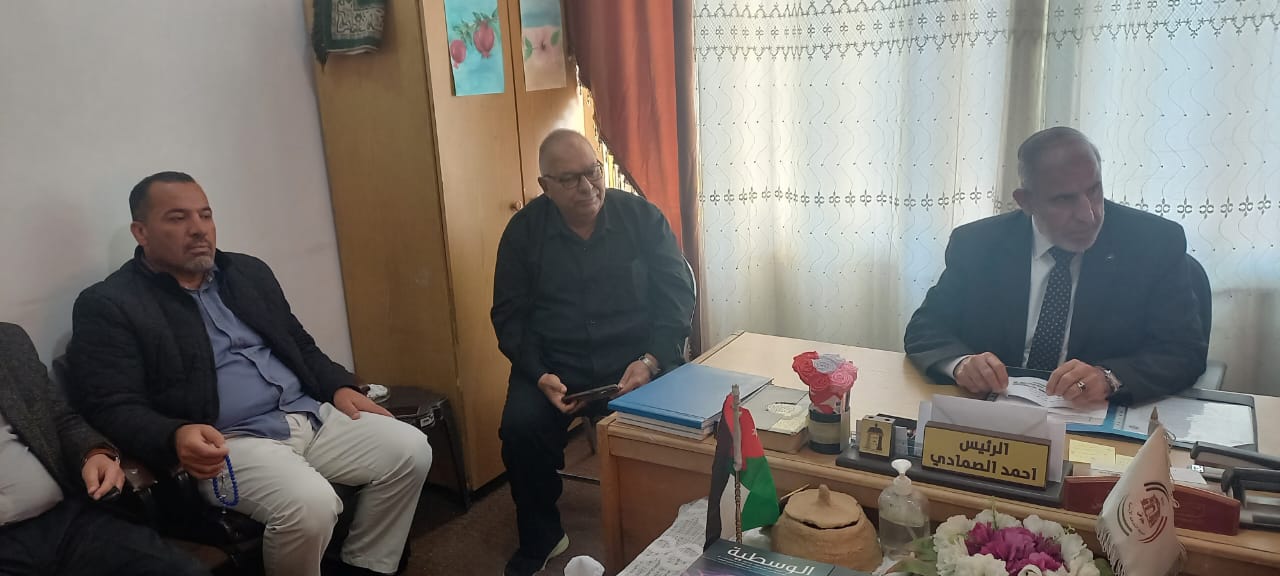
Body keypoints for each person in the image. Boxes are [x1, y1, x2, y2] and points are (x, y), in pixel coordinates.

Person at [67, 172, 433, 576]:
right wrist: (174, 434)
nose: (198, 229)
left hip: (305, 413)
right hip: (230, 443)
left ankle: (367, 566)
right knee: (311, 504)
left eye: (205, 215)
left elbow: (298, 343)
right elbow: (111, 405)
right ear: (141, 232)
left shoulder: (246, 272)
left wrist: (338, 386)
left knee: (410, 449)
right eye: (178, 218)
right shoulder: (110, 304)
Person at [491, 130, 696, 576]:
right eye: (570, 179)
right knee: (520, 428)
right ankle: (542, 536)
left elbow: (677, 296)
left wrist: (651, 360)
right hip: (556, 366)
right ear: (545, 186)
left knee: (680, 432)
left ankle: (666, 530)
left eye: (593, 172)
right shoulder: (524, 232)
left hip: (637, 361)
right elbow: (509, 316)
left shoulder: (641, 218)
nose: (587, 187)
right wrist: (538, 372)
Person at [904, 127, 1207, 406]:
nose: (1088, 215)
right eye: (1064, 200)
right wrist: (961, 364)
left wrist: (1110, 377)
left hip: (1093, 419)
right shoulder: (978, 244)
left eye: (1094, 190)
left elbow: (1184, 352)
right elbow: (926, 328)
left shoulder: (1153, 243)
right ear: (1026, 202)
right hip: (997, 416)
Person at [0, 322, 209, 576]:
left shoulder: (8, 340)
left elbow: (60, 419)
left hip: (65, 523)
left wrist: (93, 453)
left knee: (182, 571)